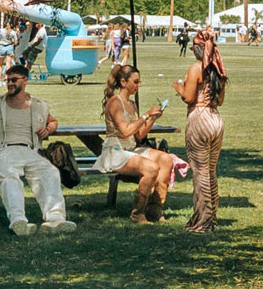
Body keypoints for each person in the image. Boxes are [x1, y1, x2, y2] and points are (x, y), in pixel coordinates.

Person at [0, 63, 76, 236]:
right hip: (3, 151)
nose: (9, 83)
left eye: (13, 80)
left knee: (50, 173)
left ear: (25, 80)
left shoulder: (38, 105)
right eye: (7, 80)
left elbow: (53, 121)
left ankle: (55, 219)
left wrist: (48, 129)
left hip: (31, 150)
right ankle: (18, 220)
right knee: (9, 177)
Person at [94, 65, 176, 223]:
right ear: (123, 82)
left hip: (131, 149)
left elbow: (139, 134)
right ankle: (137, 213)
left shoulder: (131, 104)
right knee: (151, 168)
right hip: (115, 151)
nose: (139, 85)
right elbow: (125, 131)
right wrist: (146, 115)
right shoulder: (114, 103)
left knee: (166, 160)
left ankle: (155, 208)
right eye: (136, 82)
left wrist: (153, 117)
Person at [172, 28, 226, 234]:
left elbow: (188, 97)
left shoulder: (196, 69)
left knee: (201, 172)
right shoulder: (219, 69)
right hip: (215, 119)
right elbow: (220, 100)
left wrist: (179, 87)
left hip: (199, 118)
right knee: (211, 171)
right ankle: (211, 215)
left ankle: (202, 221)